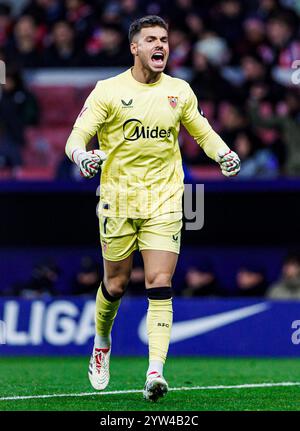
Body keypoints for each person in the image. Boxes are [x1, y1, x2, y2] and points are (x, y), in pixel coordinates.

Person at [65, 15, 240, 402]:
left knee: (159, 283)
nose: (160, 45)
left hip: (165, 200)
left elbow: (202, 130)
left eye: (164, 39)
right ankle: (101, 340)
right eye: (151, 40)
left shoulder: (179, 90)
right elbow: (76, 135)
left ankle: (155, 372)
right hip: (119, 200)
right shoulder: (108, 91)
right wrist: (80, 155)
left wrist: (224, 153)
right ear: (135, 47)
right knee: (115, 284)